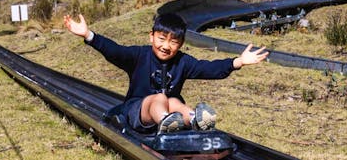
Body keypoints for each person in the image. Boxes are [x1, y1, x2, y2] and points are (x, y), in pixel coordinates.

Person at [64, 13, 269, 134]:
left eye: (173, 42)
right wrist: (89, 35)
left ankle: (192, 118)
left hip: (170, 107)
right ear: (151, 37)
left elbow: (208, 68)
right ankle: (166, 121)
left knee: (174, 101)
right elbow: (114, 51)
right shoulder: (138, 56)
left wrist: (238, 62)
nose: (166, 46)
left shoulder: (183, 61)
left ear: (180, 44)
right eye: (162, 39)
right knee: (160, 98)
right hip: (139, 112)